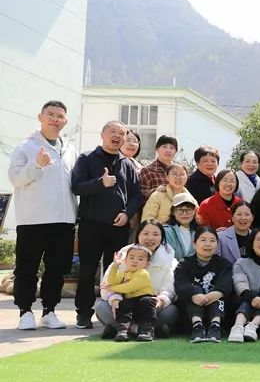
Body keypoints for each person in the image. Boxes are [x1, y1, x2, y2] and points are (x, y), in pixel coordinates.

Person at [8, 100, 76, 330]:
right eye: (51, 114)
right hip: (33, 219)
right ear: (40, 117)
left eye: (60, 116)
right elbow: (15, 178)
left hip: (64, 219)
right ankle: (25, 311)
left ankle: (49, 311)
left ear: (65, 121)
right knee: (27, 268)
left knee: (57, 269)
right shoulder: (25, 147)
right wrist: (36, 164)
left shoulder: (70, 149)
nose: (55, 119)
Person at [71, 120, 142, 329]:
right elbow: (76, 187)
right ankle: (83, 313)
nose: (117, 136)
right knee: (88, 270)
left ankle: (115, 312)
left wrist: (127, 214)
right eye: (113, 132)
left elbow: (136, 195)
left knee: (118, 271)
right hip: (91, 224)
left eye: (122, 133)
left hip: (118, 226)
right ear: (102, 134)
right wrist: (100, 183)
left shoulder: (127, 163)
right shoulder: (87, 158)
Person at [96, 219, 177, 340]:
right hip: (125, 307)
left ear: (162, 237)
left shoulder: (169, 260)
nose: (150, 238)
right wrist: (115, 299)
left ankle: (124, 329)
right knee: (102, 308)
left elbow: (170, 289)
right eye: (146, 233)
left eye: (155, 234)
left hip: (151, 307)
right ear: (138, 235)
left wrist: (160, 301)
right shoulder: (123, 255)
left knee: (171, 311)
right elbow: (107, 284)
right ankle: (143, 330)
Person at [174, 226, 233, 343]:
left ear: (217, 244)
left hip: (217, 308)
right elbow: (180, 284)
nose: (208, 244)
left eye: (212, 240)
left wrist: (215, 293)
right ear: (194, 244)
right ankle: (197, 327)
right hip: (191, 311)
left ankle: (215, 327)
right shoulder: (184, 263)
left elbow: (226, 283)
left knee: (218, 298)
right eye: (203, 240)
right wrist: (195, 294)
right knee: (194, 293)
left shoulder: (223, 263)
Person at [99, 245, 157, 342]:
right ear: (125, 261)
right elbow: (112, 281)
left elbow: (129, 287)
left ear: (147, 264)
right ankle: (123, 330)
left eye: (140, 259)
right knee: (123, 303)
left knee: (147, 301)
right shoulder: (125, 273)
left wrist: (111, 288)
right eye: (131, 258)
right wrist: (115, 266)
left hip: (144, 299)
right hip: (131, 301)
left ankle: (147, 330)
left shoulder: (143, 273)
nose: (135, 261)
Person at [137, 135, 179, 200]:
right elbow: (140, 196)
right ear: (157, 149)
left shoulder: (180, 171)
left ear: (176, 151)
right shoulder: (147, 171)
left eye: (172, 147)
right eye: (164, 147)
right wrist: (155, 191)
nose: (168, 150)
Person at [164, 192, 199, 259]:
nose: (184, 213)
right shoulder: (166, 232)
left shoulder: (199, 231)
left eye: (188, 210)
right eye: (180, 210)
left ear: (194, 212)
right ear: (173, 212)